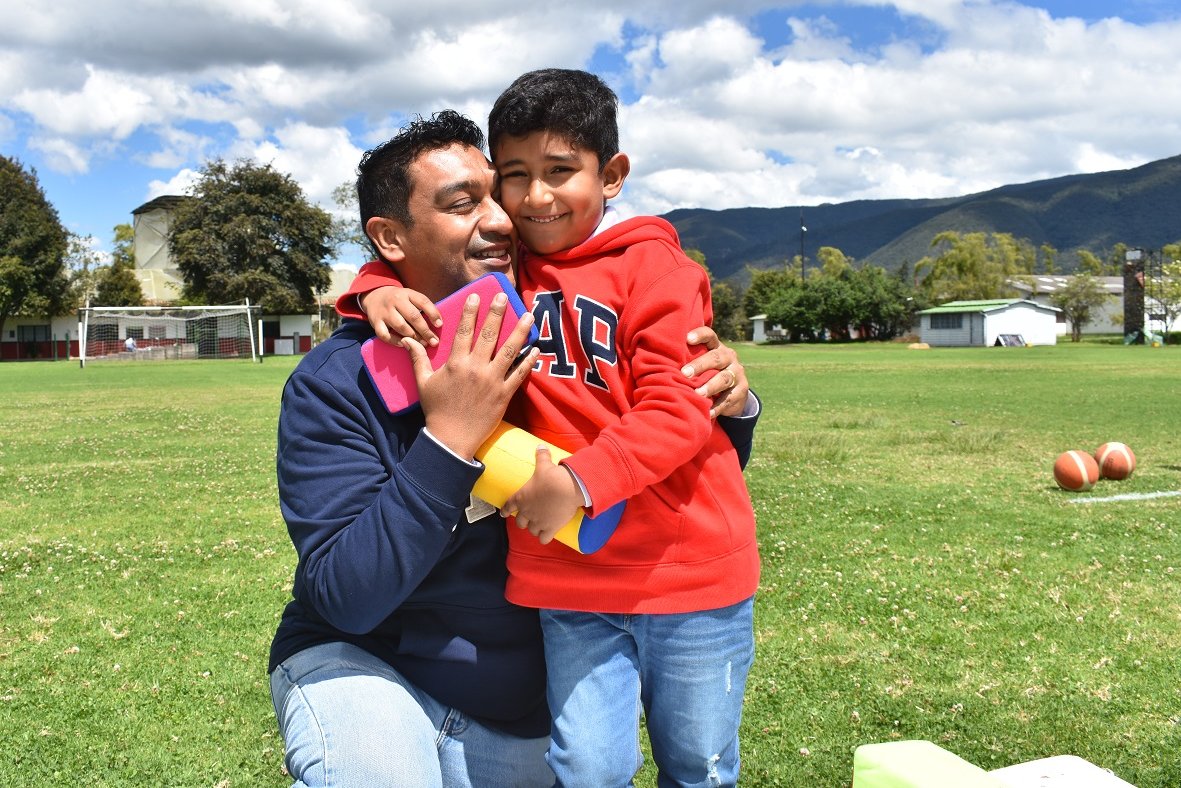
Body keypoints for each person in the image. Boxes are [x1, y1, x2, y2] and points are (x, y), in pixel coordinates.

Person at [271, 109, 758, 788]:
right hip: (369, 662)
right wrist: (448, 439)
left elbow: (655, 447)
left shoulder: (540, 316)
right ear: (389, 236)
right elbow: (344, 598)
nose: (503, 218)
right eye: (462, 204)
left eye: (495, 192)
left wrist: (731, 403)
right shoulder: (337, 381)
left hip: (509, 703)